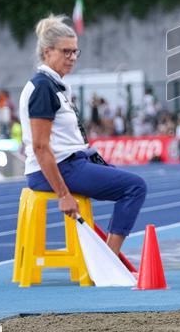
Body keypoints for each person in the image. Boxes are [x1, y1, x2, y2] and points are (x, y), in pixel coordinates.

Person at [20, 15, 146, 256]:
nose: (72, 58)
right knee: (135, 187)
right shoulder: (43, 88)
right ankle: (110, 258)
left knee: (125, 180)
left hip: (71, 163)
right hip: (57, 169)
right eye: (66, 52)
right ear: (47, 52)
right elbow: (40, 147)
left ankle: (108, 254)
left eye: (76, 52)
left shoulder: (55, 85)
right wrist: (63, 195)